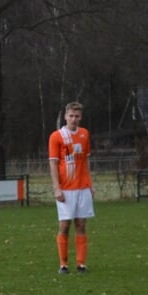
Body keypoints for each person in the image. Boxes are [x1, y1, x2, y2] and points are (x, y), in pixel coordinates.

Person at [48, 101, 93, 274]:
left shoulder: (84, 134)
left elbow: (86, 160)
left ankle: (81, 264)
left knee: (81, 224)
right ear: (65, 116)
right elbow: (53, 163)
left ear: (81, 117)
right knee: (65, 225)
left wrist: (91, 184)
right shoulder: (57, 136)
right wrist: (56, 188)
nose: (74, 119)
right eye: (71, 116)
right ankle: (63, 264)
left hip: (82, 188)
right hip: (66, 189)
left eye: (77, 116)